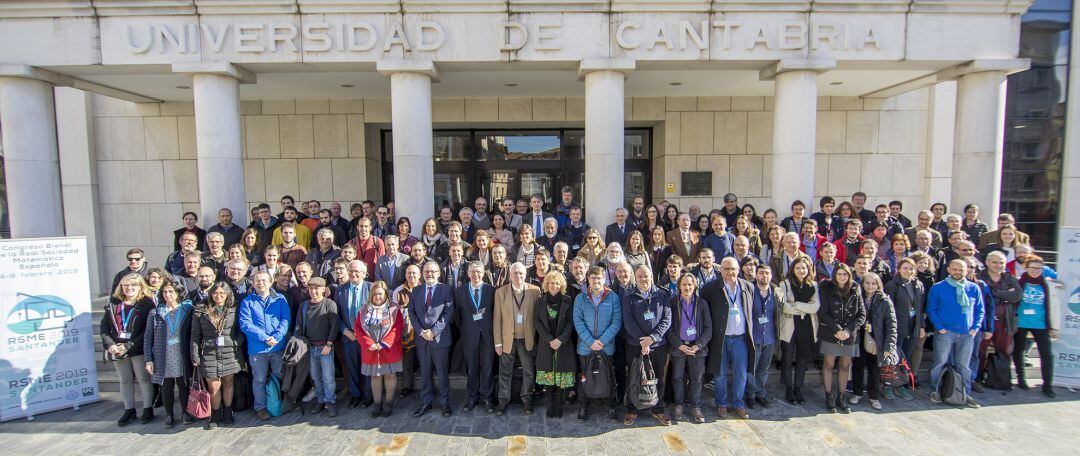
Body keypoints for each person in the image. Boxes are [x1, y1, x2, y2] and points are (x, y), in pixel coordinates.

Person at [701, 257, 756, 420]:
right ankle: (721, 403)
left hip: (740, 338)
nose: (730, 272)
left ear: (739, 270)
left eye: (733, 269)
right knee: (720, 373)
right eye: (726, 269)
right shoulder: (710, 288)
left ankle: (739, 404)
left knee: (741, 373)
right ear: (720, 270)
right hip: (721, 339)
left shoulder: (748, 287)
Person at [927, 259, 984, 408]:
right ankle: (935, 390)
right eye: (955, 269)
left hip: (967, 333)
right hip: (945, 332)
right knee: (940, 362)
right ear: (949, 270)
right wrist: (939, 327)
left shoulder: (973, 288)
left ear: (967, 271)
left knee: (964, 366)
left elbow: (980, 309)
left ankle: (965, 392)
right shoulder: (938, 288)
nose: (958, 272)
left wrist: (975, 328)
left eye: (961, 270)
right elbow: (931, 309)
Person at [621, 265, 674, 426]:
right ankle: (632, 409)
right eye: (639, 276)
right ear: (634, 278)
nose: (643, 279)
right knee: (633, 376)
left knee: (658, 376)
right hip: (635, 345)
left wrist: (652, 338)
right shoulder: (629, 296)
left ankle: (657, 409)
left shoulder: (662, 295)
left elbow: (667, 319)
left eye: (646, 276)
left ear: (652, 276)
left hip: (658, 345)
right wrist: (642, 341)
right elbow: (628, 322)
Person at [101, 273, 156, 426]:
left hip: (137, 348)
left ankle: (147, 408)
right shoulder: (113, 302)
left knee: (143, 379)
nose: (129, 288)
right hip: (117, 348)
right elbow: (104, 327)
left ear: (140, 287)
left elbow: (147, 330)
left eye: (133, 285)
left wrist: (128, 346)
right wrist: (110, 344)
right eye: (126, 285)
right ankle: (129, 409)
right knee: (124, 380)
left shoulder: (146, 303)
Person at [191, 281, 246, 429]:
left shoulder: (234, 309)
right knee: (213, 386)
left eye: (222, 293)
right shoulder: (201, 310)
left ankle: (228, 411)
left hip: (230, 351)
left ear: (228, 294)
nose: (218, 296)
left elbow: (242, 330)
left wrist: (236, 343)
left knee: (229, 382)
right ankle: (215, 414)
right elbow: (195, 335)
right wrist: (195, 355)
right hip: (209, 352)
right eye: (215, 293)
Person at [238, 271, 292, 421]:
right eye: (257, 281)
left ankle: (278, 403)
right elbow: (245, 324)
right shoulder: (247, 302)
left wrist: (276, 337)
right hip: (257, 349)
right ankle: (261, 407)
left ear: (270, 282)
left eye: (263, 280)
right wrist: (265, 337)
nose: (260, 283)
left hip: (277, 346)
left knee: (279, 375)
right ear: (253, 283)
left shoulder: (280, 299)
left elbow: (285, 319)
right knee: (259, 379)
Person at [144, 278, 196, 426]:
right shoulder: (155, 313)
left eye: (171, 291)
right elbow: (148, 337)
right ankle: (169, 415)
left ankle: (186, 413)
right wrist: (148, 359)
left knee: (183, 384)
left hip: (181, 353)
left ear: (178, 293)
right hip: (163, 354)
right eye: (165, 292)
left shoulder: (187, 310)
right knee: (166, 385)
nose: (168, 294)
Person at [573, 266, 622, 423]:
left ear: (604, 279)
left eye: (599, 277)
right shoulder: (580, 298)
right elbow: (578, 322)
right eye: (593, 277)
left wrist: (602, 341)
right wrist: (590, 341)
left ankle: (610, 405)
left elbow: (616, 321)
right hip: (585, 347)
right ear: (588, 279)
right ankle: (583, 405)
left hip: (606, 347)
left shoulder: (613, 297)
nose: (596, 280)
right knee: (584, 377)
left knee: (608, 376)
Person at [493, 262, 541, 415]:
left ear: (525, 274)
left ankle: (527, 400)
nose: (518, 276)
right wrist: (498, 342)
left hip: (527, 339)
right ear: (510, 275)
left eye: (521, 273)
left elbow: (538, 317)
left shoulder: (535, 291)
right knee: (505, 372)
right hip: (507, 340)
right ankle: (503, 401)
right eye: (515, 273)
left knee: (528, 371)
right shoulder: (501, 292)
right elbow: (497, 320)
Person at [408, 261, 455, 417]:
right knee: (425, 372)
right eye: (427, 271)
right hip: (422, 339)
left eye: (433, 271)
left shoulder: (446, 290)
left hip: (439, 338)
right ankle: (426, 402)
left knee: (442, 373)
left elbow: (448, 313)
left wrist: (433, 331)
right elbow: (412, 313)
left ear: (438, 273)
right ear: (422, 273)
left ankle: (445, 403)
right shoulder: (416, 290)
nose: (430, 274)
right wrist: (421, 331)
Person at [817, 263, 865, 413]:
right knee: (829, 364)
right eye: (839, 274)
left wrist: (848, 330)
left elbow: (861, 315)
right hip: (831, 333)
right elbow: (823, 312)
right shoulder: (826, 288)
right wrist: (837, 330)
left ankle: (841, 397)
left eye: (845, 274)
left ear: (849, 276)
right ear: (835, 275)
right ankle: (829, 396)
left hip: (849, 335)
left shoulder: (856, 289)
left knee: (845, 366)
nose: (842, 277)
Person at [666, 273, 713, 424]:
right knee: (677, 377)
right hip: (678, 347)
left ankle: (695, 406)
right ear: (679, 286)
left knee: (697, 379)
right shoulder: (672, 302)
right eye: (684, 285)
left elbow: (708, 328)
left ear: (695, 286)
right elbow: (668, 328)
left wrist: (698, 345)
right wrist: (679, 344)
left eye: (690, 285)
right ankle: (678, 405)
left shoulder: (702, 304)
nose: (687, 288)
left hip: (697, 348)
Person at [354, 281, 404, 417]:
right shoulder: (363, 309)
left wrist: (384, 343)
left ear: (386, 294)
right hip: (370, 350)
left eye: (380, 294)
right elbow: (358, 329)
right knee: (375, 376)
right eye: (375, 294)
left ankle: (388, 402)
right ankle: (377, 403)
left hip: (389, 349)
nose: (378, 297)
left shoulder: (394, 309)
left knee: (390, 375)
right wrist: (369, 343)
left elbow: (397, 328)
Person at [292, 277, 340, 417]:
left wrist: (329, 344)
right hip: (310, 347)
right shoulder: (304, 306)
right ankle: (320, 399)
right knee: (315, 377)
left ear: (323, 289)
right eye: (311, 288)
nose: (313, 291)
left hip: (325, 347)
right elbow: (299, 325)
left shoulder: (329, 304)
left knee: (328, 377)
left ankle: (330, 401)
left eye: (317, 288)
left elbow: (334, 326)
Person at [849, 272, 897, 411]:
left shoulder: (885, 300)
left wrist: (889, 345)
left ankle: (873, 396)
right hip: (859, 337)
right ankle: (857, 393)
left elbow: (891, 324)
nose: (870, 286)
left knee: (874, 368)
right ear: (862, 284)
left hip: (877, 339)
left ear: (878, 285)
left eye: (873, 283)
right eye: (867, 283)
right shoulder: (857, 297)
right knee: (857, 365)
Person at [1013, 256, 1059, 398]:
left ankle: (1048, 385)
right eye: (1032, 268)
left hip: (1041, 323)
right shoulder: (1018, 282)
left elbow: (1055, 306)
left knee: (1047, 354)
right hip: (1021, 322)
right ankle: (1021, 379)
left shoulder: (1048, 284)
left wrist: (1054, 327)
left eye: (1038, 268)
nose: (1035, 271)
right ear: (1026, 268)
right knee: (1018, 351)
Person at [454, 262, 497, 413]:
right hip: (469, 336)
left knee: (487, 369)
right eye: (473, 272)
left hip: (488, 337)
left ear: (483, 273)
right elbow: (457, 316)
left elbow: (495, 314)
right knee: (471, 369)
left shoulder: (491, 290)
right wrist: (467, 330)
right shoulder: (459, 291)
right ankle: (472, 398)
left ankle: (487, 399)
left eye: (479, 272)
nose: (476, 275)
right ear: (468, 273)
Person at [534, 272, 577, 419]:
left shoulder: (568, 300)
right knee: (549, 376)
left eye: (557, 283)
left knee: (560, 376)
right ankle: (549, 405)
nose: (554, 286)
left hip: (563, 344)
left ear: (561, 285)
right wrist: (549, 340)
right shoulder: (540, 301)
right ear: (547, 284)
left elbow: (571, 323)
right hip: (546, 344)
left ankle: (559, 405)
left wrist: (560, 340)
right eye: (552, 283)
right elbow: (537, 322)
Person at [778, 256, 818, 405]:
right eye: (797, 268)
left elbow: (815, 307)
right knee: (787, 359)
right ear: (792, 269)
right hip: (790, 327)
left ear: (809, 270)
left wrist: (795, 305)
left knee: (802, 361)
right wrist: (804, 308)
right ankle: (789, 388)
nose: (801, 270)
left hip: (806, 327)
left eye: (804, 268)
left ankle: (798, 388)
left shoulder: (814, 285)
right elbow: (784, 306)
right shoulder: (785, 284)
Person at [883, 257, 925, 400]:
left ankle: (900, 384)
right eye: (905, 268)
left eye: (911, 268)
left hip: (913, 326)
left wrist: (921, 326)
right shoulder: (892, 285)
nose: (909, 271)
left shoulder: (918, 285)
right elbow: (888, 309)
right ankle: (887, 385)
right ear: (899, 269)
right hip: (897, 327)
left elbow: (919, 308)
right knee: (892, 357)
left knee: (905, 357)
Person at [334, 260, 374, 409]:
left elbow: (377, 311)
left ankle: (369, 395)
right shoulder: (340, 290)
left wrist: (365, 332)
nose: (354, 274)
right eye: (351, 271)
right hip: (348, 336)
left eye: (357, 271)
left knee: (368, 367)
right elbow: (336, 315)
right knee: (351, 366)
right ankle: (356, 395)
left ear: (364, 273)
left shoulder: (371, 288)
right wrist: (346, 331)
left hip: (367, 336)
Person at [746, 265, 780, 409]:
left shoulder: (776, 294)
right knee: (751, 369)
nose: (764, 276)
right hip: (755, 337)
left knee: (763, 370)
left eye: (767, 273)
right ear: (756, 275)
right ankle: (750, 395)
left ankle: (760, 393)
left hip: (770, 337)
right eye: (761, 273)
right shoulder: (750, 292)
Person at [391, 264, 421, 396]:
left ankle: (427, 385)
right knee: (407, 361)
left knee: (425, 361)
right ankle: (407, 386)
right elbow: (394, 312)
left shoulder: (424, 288)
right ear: (405, 275)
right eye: (409, 273)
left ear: (419, 275)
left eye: (414, 273)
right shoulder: (399, 291)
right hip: (406, 332)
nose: (411, 276)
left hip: (422, 330)